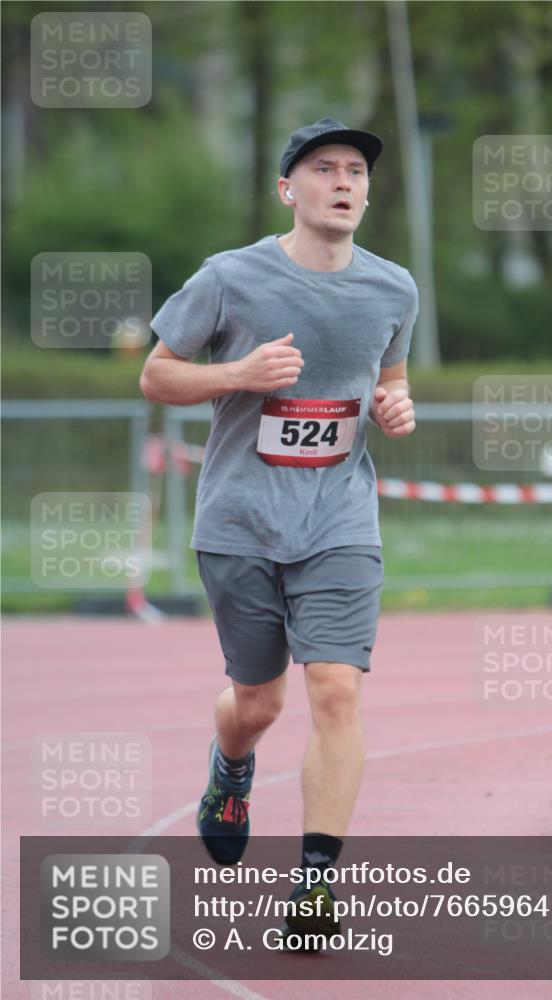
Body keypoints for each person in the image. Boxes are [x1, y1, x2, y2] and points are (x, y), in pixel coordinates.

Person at [140, 116, 419, 940]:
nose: (343, 182)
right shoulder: (229, 277)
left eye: (355, 171)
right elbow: (157, 375)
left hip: (339, 516)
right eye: (324, 168)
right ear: (287, 189)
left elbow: (391, 380)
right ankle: (230, 767)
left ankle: (315, 885)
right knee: (257, 701)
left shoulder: (393, 288)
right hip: (240, 520)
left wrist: (395, 407)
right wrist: (239, 372)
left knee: (335, 687)